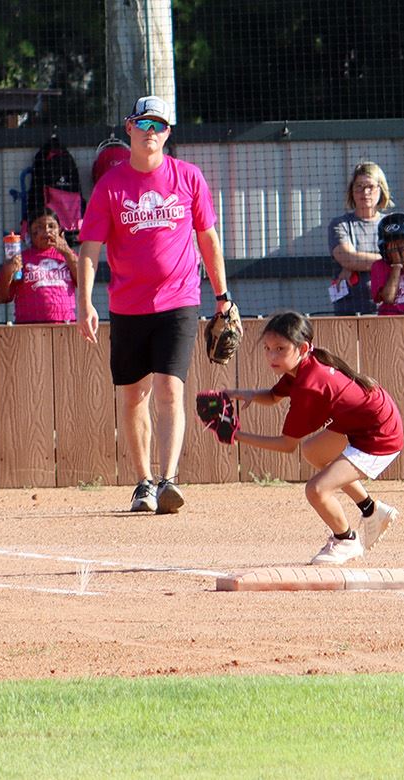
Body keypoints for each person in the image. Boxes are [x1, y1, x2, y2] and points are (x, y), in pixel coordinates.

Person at [76, 95, 234, 515]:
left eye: (159, 125)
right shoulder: (111, 185)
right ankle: (143, 482)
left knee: (169, 388)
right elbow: (90, 247)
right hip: (127, 305)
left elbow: (208, 240)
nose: (151, 132)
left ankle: (168, 480)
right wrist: (84, 301)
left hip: (178, 300)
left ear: (169, 132)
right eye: (144, 123)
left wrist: (222, 297)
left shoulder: (188, 177)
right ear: (128, 128)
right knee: (133, 396)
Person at [200, 312, 403, 565]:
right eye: (268, 348)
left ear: (303, 348)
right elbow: (273, 396)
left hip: (379, 436)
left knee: (316, 490)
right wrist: (235, 394)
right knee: (314, 451)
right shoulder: (304, 365)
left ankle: (346, 540)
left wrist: (235, 435)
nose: (272, 356)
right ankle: (371, 510)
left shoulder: (309, 386)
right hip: (368, 420)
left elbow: (286, 445)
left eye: (280, 349)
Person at [327, 162, 393, 316]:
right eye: (359, 186)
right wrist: (388, 260)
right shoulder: (340, 224)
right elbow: (348, 258)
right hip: (349, 311)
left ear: (381, 189)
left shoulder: (391, 224)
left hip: (386, 310)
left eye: (370, 186)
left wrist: (358, 263)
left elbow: (403, 260)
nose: (365, 192)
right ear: (352, 191)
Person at [0, 210, 78, 324]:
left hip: (65, 326)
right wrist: (7, 271)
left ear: (60, 232)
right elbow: (1, 298)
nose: (47, 231)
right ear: (30, 234)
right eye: (40, 227)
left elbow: (86, 282)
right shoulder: (20, 259)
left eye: (51, 226)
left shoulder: (68, 256)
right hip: (28, 328)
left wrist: (67, 252)